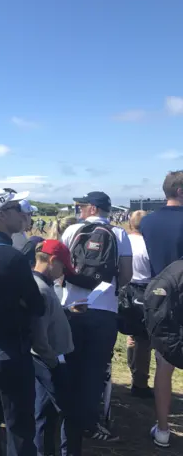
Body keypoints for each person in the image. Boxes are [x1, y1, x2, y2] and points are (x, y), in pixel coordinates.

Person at [0, 188, 45, 456]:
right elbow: (38, 305)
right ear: (1, 215)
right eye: (16, 208)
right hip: (10, 347)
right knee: (19, 423)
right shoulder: (11, 256)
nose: (22, 212)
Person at [60, 192, 132, 442]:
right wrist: (108, 288)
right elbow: (126, 273)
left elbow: (62, 267)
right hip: (104, 310)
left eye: (80, 206)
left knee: (68, 363)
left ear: (92, 208)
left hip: (71, 307)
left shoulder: (72, 231)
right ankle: (88, 423)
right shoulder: (120, 234)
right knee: (94, 369)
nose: (78, 209)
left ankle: (63, 418)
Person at [140, 171, 183, 448]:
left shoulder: (147, 222)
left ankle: (164, 430)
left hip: (163, 299)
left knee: (163, 367)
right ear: (180, 191)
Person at [31, 240, 82, 456]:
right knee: (70, 412)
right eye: (62, 267)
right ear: (52, 261)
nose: (63, 273)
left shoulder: (39, 285)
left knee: (44, 413)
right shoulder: (41, 290)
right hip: (49, 360)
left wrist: (66, 312)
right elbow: (39, 336)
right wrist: (53, 362)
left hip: (45, 359)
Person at [124, 210, 154, 399]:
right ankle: (140, 382)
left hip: (126, 289)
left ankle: (134, 372)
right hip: (144, 289)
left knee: (132, 335)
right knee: (144, 339)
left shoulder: (124, 240)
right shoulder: (148, 244)